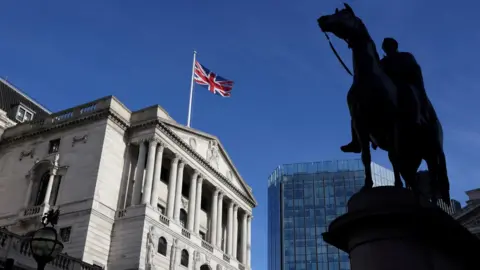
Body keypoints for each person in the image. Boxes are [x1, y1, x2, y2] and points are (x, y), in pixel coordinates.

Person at [341, 37, 430, 153]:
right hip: (387, 90)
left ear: (395, 46)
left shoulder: (405, 56)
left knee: (409, 92)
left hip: (403, 85)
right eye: (385, 46)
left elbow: (415, 71)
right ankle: (357, 140)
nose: (387, 48)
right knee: (360, 104)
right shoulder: (382, 62)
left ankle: (417, 120)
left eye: (389, 45)